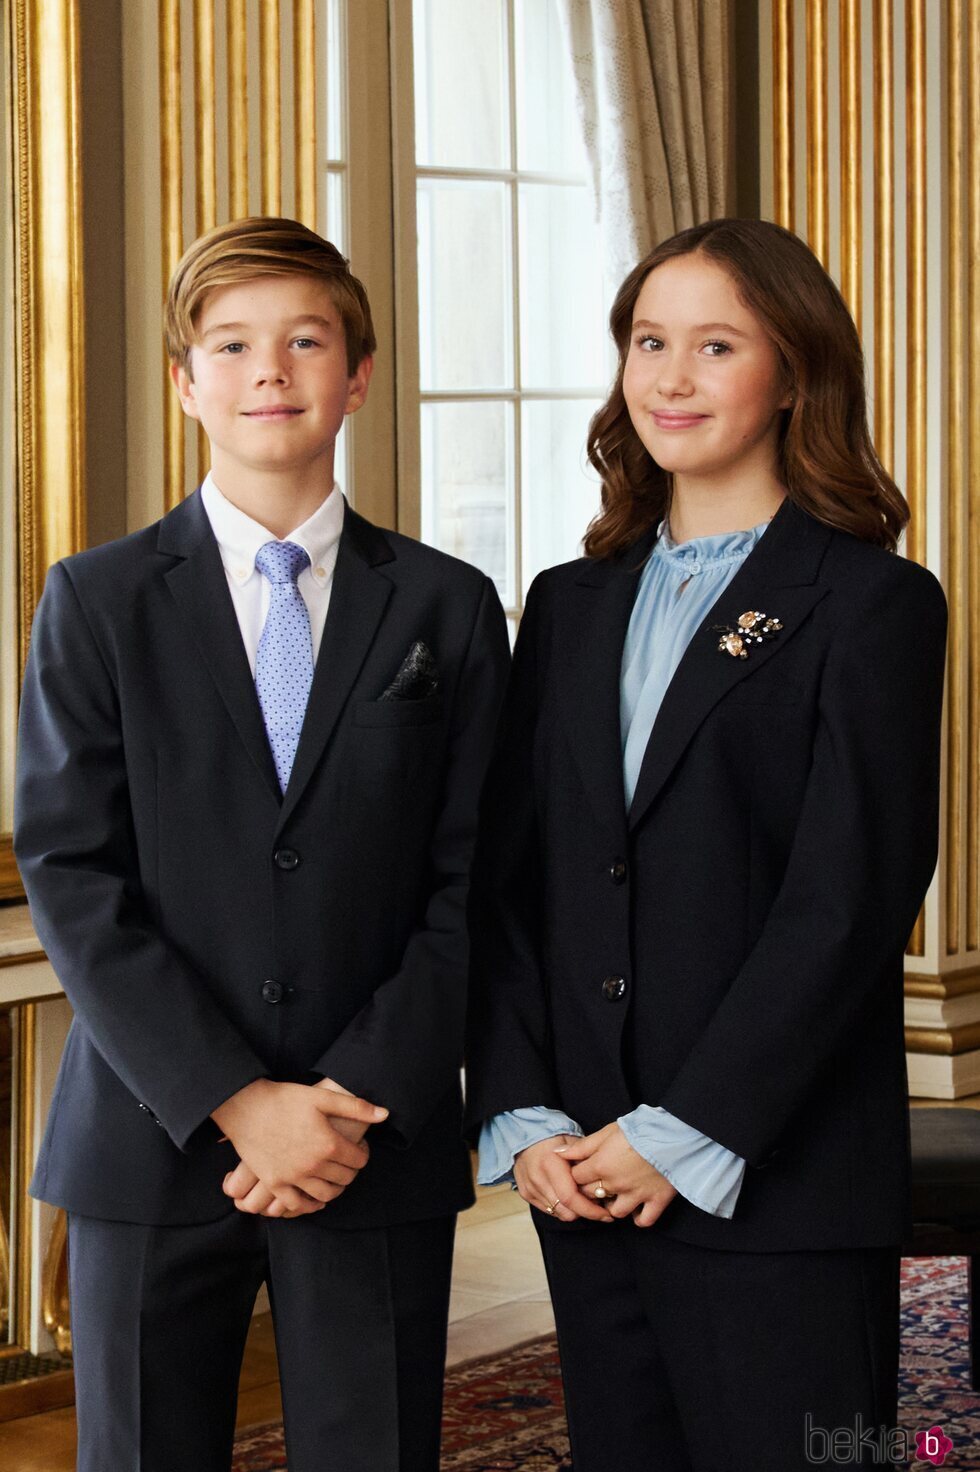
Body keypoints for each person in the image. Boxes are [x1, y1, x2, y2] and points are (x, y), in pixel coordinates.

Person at [15, 215, 509, 1472]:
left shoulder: (446, 606)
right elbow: (75, 874)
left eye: (305, 339)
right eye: (230, 345)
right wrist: (236, 1100)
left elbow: (472, 879)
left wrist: (336, 1108)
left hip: (369, 1133)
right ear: (187, 383)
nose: (269, 369)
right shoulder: (98, 598)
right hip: (152, 1126)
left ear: (357, 375)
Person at [465, 217, 947, 1471]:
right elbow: (510, 882)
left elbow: (846, 901)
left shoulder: (872, 603)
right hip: (581, 1170)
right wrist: (524, 1110)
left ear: (793, 371)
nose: (669, 377)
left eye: (714, 344)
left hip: (772, 1174)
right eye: (647, 341)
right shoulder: (569, 605)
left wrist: (679, 1129)